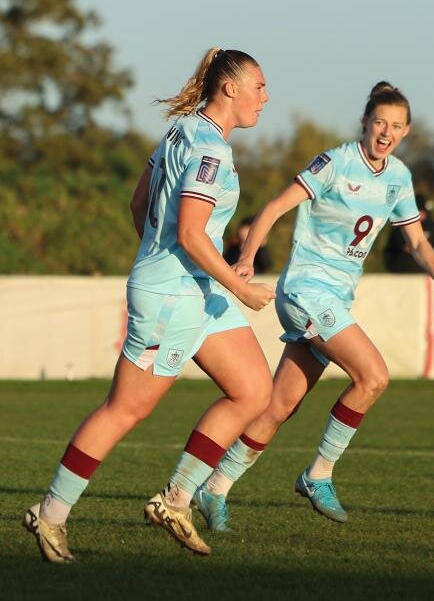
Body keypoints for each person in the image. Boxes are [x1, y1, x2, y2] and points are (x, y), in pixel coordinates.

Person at [23, 47, 274, 563]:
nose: (265, 98)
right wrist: (238, 287)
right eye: (259, 86)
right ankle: (49, 515)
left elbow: (139, 203)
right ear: (230, 88)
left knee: (253, 391)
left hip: (195, 288)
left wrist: (160, 258)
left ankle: (175, 501)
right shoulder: (211, 150)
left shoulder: (182, 131)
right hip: (173, 296)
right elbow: (190, 233)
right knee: (125, 410)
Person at [191, 83, 434, 531]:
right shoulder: (335, 162)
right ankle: (319, 474)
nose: (386, 132)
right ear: (365, 123)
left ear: (406, 131)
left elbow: (415, 240)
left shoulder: (398, 177)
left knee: (279, 406)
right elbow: (274, 208)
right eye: (379, 122)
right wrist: (247, 257)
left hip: (336, 296)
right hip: (306, 291)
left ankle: (213, 488)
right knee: (373, 377)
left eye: (395, 126)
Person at [384, 194, 434, 273]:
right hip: (401, 273)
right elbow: (391, 250)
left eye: (423, 212)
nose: (421, 214)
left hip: (427, 273)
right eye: (418, 211)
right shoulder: (400, 227)